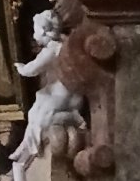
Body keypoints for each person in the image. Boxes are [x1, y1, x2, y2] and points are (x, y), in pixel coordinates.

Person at [8, 9, 86, 168]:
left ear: (43, 31)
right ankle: (25, 145)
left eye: (35, 30)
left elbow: (32, 69)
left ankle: (74, 118)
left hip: (63, 96)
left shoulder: (51, 49)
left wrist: (20, 68)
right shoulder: (63, 44)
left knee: (42, 118)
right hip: (64, 94)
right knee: (33, 112)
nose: (34, 35)